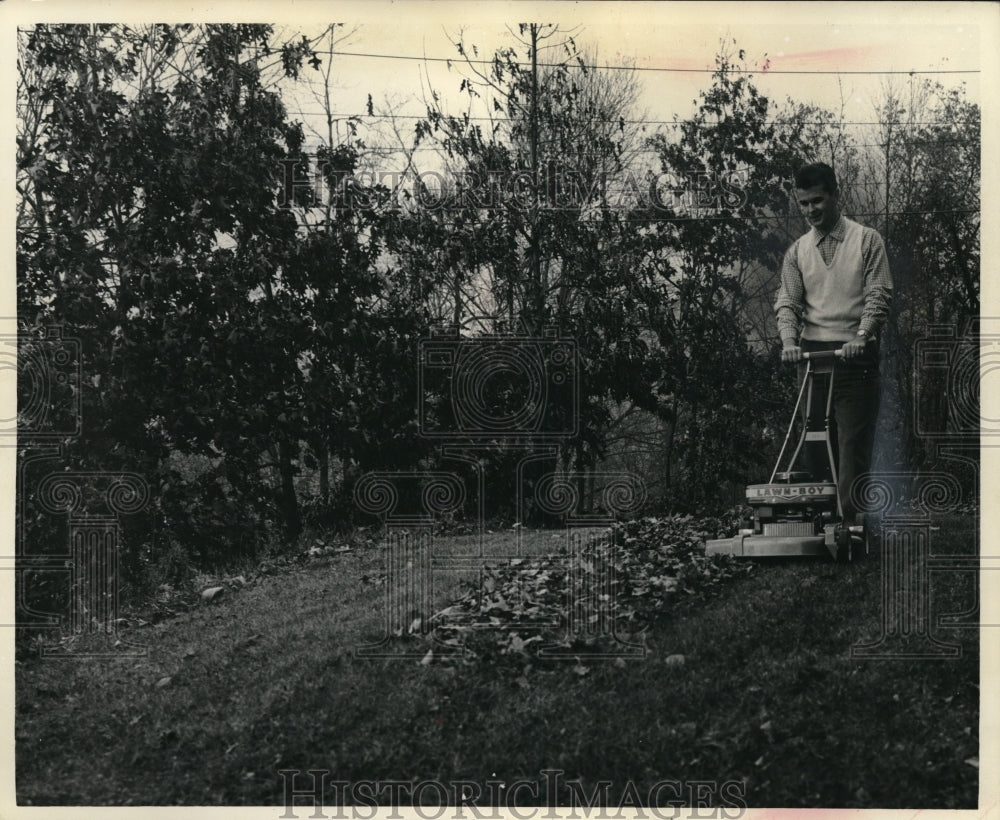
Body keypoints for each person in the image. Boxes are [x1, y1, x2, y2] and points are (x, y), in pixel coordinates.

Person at [775, 162, 893, 528]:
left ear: (835, 195)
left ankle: (851, 525)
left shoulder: (866, 240)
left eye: (818, 201)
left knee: (851, 445)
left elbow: (878, 294)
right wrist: (789, 342)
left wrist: (863, 335)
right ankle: (821, 521)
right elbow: (788, 303)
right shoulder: (797, 252)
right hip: (812, 359)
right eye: (804, 203)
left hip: (854, 357)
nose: (811, 210)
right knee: (813, 445)